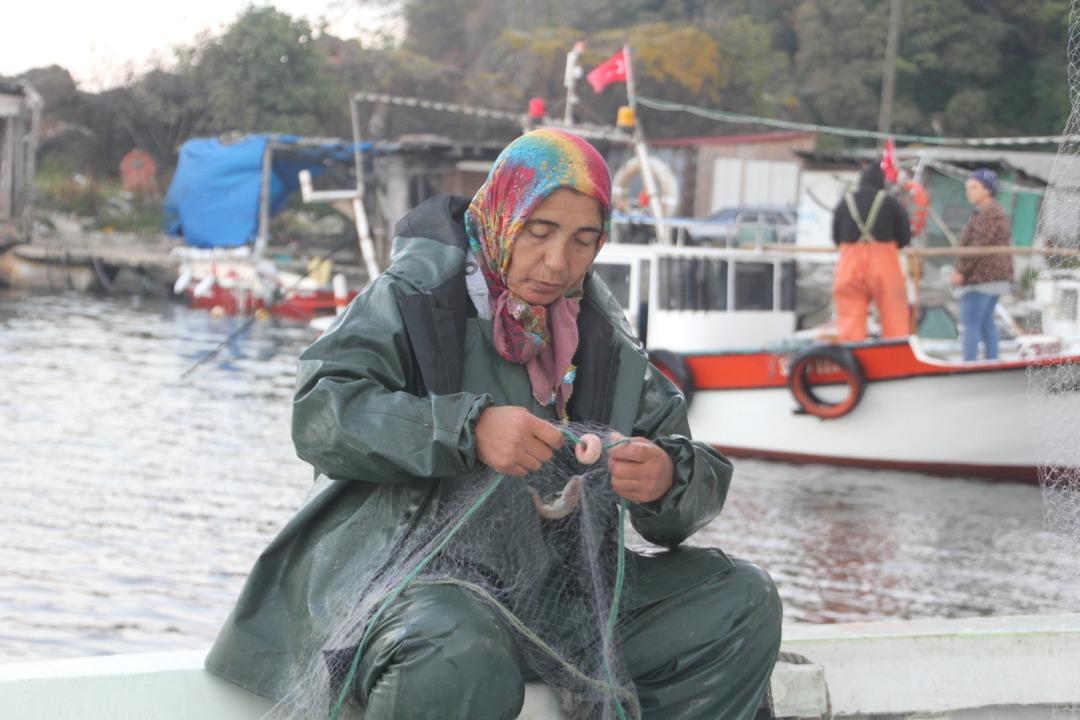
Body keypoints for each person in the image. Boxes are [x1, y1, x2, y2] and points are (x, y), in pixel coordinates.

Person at [205, 129, 782, 719]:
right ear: (503, 214)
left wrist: (666, 479)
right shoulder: (414, 298)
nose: (559, 262)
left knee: (739, 599)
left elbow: (690, 474)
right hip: (409, 592)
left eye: (584, 241)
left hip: (558, 606)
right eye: (540, 231)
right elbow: (321, 413)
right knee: (454, 648)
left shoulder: (605, 337)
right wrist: (467, 429)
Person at [831, 163, 912, 342]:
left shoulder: (845, 202)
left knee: (850, 313)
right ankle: (895, 352)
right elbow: (905, 237)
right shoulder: (890, 202)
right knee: (894, 311)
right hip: (883, 260)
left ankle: (851, 355)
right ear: (881, 181)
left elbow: (836, 237)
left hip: (849, 261)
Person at [952, 168, 1014, 361]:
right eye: (967, 188)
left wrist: (961, 271)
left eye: (974, 188)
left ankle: (969, 363)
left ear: (987, 190)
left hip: (982, 278)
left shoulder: (990, 214)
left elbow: (978, 246)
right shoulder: (986, 212)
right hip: (992, 278)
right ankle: (991, 361)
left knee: (970, 324)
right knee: (987, 322)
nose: (969, 192)